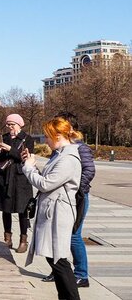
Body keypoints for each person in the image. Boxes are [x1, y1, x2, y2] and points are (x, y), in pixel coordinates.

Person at [21, 117, 82, 300]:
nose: (45, 141)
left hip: (58, 214)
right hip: (52, 211)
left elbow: (46, 184)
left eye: (47, 136)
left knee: (58, 259)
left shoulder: (68, 158)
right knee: (54, 258)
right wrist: (33, 166)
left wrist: (28, 169)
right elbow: (49, 180)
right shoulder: (61, 155)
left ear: (58, 136)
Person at [41, 112, 95, 288]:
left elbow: (89, 171)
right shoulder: (61, 148)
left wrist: (76, 190)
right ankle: (59, 270)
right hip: (60, 197)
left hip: (76, 197)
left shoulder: (80, 148)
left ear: (68, 127)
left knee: (74, 235)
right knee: (58, 236)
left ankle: (81, 274)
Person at [0, 113, 35, 253]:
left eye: (12, 124)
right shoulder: (4, 137)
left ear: (19, 125)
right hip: (5, 177)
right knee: (6, 208)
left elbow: (24, 158)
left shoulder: (27, 139)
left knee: (22, 209)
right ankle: (7, 238)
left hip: (21, 178)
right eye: (8, 124)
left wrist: (10, 149)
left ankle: (23, 240)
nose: (10, 127)